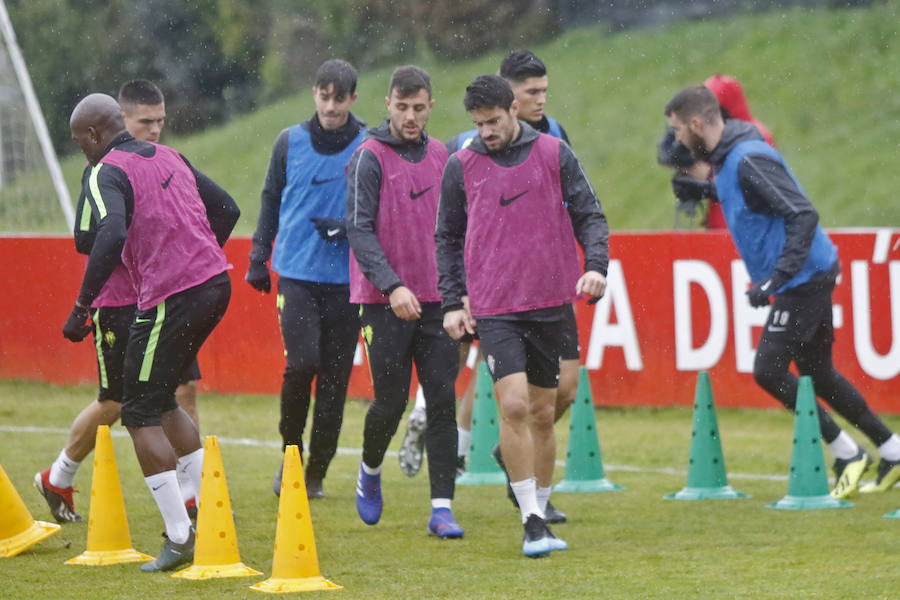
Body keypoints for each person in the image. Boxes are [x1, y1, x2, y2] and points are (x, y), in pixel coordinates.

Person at [664, 84, 900, 499]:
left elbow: (803, 215)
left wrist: (774, 279)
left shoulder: (746, 157)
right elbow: (752, 197)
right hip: (806, 275)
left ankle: (847, 454)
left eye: (680, 130)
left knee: (768, 371)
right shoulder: (732, 154)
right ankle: (892, 450)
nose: (678, 140)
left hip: (802, 279)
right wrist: (704, 191)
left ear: (698, 123)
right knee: (819, 374)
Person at [63, 93, 239, 571]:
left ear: (94, 134)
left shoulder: (105, 171)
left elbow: (109, 234)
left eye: (80, 139)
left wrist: (82, 306)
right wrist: (198, 255)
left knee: (137, 408)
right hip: (215, 284)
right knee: (160, 400)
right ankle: (205, 512)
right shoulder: (169, 155)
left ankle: (180, 538)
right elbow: (227, 207)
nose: (81, 148)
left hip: (173, 297)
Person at [436, 74, 609, 557]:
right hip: (495, 308)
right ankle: (532, 520)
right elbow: (446, 238)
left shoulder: (555, 154)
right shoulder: (461, 165)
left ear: (513, 110)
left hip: (551, 302)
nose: (485, 131)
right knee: (512, 405)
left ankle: (541, 506)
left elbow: (590, 214)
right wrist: (452, 301)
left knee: (541, 413)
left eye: (493, 121)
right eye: (478, 123)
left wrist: (596, 266)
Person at [34, 80, 202, 524]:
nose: (155, 130)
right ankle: (59, 474)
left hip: (163, 295)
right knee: (121, 400)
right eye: (146, 121)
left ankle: (192, 495)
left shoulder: (163, 161)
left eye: (161, 121)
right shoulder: (101, 171)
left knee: (180, 388)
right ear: (117, 124)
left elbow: (212, 210)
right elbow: (88, 238)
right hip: (120, 303)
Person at [347, 65, 463, 538]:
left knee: (441, 401)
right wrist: (392, 286)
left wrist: (461, 291)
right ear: (388, 105)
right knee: (390, 403)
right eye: (402, 107)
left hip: (438, 301)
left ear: (430, 107)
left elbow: (456, 229)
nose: (411, 116)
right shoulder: (368, 157)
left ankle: (442, 509)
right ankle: (370, 471)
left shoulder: (443, 155)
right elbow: (358, 229)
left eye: (419, 108)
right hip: (383, 300)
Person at [246, 59, 366, 500]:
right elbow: (270, 198)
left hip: (349, 282)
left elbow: (383, 212)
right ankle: (290, 457)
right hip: (295, 274)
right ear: (313, 92)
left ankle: (317, 471)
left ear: (354, 99)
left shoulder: (369, 145)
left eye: (340, 98)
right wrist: (259, 257)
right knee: (301, 366)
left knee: (334, 383)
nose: (331, 106)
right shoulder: (289, 142)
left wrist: (348, 227)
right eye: (324, 95)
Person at [658, 74, 775, 231]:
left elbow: (755, 188)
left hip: (746, 228)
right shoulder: (722, 136)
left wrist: (708, 179)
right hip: (723, 226)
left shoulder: (754, 136)